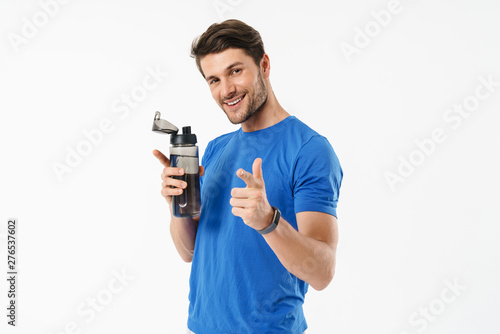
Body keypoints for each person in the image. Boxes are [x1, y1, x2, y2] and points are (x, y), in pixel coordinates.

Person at [153, 19, 343, 334]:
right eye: (213, 79)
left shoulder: (309, 149)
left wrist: (269, 221)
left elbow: (322, 273)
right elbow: (189, 253)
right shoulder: (216, 149)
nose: (226, 90)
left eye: (235, 71)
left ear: (264, 65)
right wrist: (178, 206)